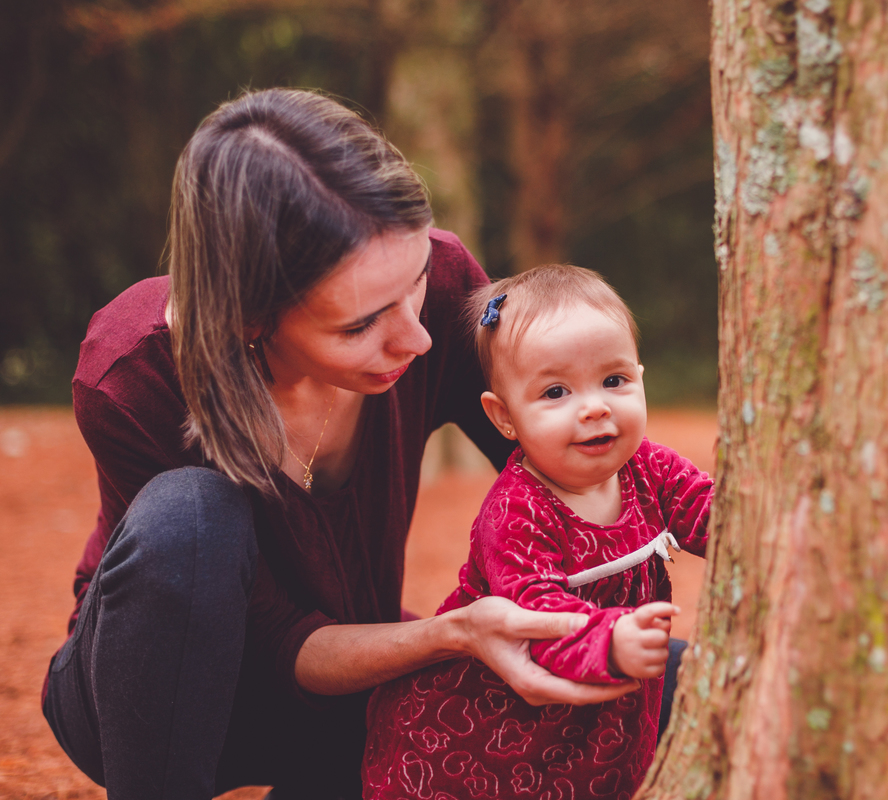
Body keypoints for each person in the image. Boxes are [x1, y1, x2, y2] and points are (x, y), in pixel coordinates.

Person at [41, 88, 636, 800]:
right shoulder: (132, 373)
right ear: (249, 319)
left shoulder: (444, 288)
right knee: (188, 516)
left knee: (669, 679)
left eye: (414, 283)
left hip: (356, 690)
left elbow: (570, 479)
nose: (415, 339)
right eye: (359, 326)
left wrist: (590, 632)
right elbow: (276, 645)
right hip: (153, 704)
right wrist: (453, 635)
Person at [362, 265, 712, 800]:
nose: (594, 406)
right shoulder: (518, 510)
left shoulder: (649, 469)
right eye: (555, 392)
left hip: (596, 721)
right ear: (504, 418)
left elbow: (705, 511)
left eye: (614, 380)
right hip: (490, 734)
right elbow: (534, 615)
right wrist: (609, 640)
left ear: (640, 378)